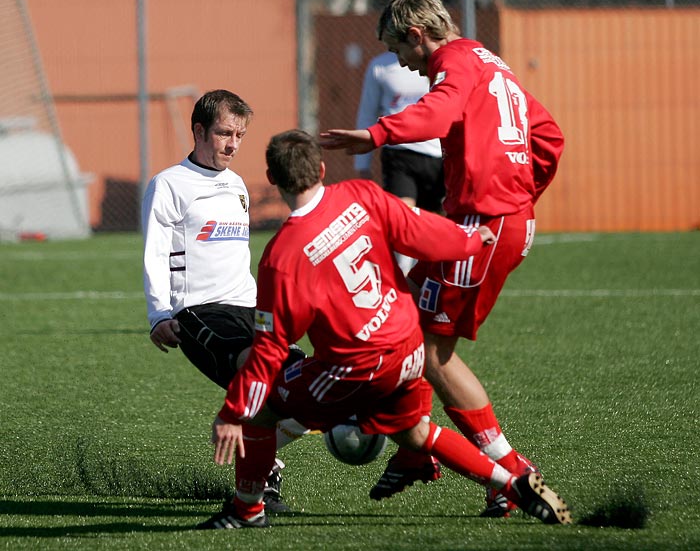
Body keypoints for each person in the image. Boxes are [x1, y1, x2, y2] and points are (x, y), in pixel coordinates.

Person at [196, 129, 571, 530]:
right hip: (409, 348)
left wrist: (233, 412)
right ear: (322, 169)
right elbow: (419, 230)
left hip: (357, 366)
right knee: (414, 433)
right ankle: (513, 484)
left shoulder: (281, 258)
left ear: (272, 179)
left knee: (261, 408)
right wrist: (469, 240)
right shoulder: (361, 195)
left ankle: (247, 511)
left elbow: (270, 350)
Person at [319, 0, 565, 518]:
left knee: (432, 352)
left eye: (397, 49)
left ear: (416, 35)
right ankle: (414, 454)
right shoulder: (489, 61)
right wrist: (521, 198)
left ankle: (512, 473)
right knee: (400, 305)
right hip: (488, 217)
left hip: (483, 222)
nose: (401, 63)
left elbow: (437, 113)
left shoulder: (453, 60)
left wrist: (376, 134)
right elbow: (549, 136)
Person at [141, 89, 307, 512]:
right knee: (260, 378)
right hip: (199, 313)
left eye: (240, 134)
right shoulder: (169, 184)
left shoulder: (236, 185)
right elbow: (155, 253)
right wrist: (160, 313)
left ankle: (265, 461)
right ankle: (259, 485)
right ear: (199, 130)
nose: (232, 144)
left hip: (247, 308)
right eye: (223, 133)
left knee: (306, 382)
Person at [354, 51, 445, 274]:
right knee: (403, 220)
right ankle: (402, 277)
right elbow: (367, 112)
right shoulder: (380, 66)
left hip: (437, 156)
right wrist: (362, 164)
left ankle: (424, 282)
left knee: (430, 227)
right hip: (399, 154)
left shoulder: (439, 64)